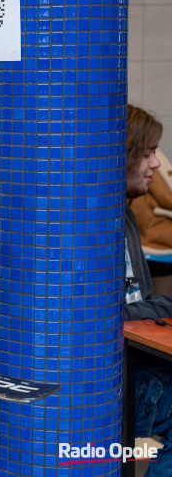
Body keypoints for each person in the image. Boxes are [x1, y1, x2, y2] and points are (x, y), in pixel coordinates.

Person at [122, 105, 172, 477]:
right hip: (110, 379)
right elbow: (106, 315)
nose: (156, 164)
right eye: (147, 153)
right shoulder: (91, 226)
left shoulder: (122, 214)